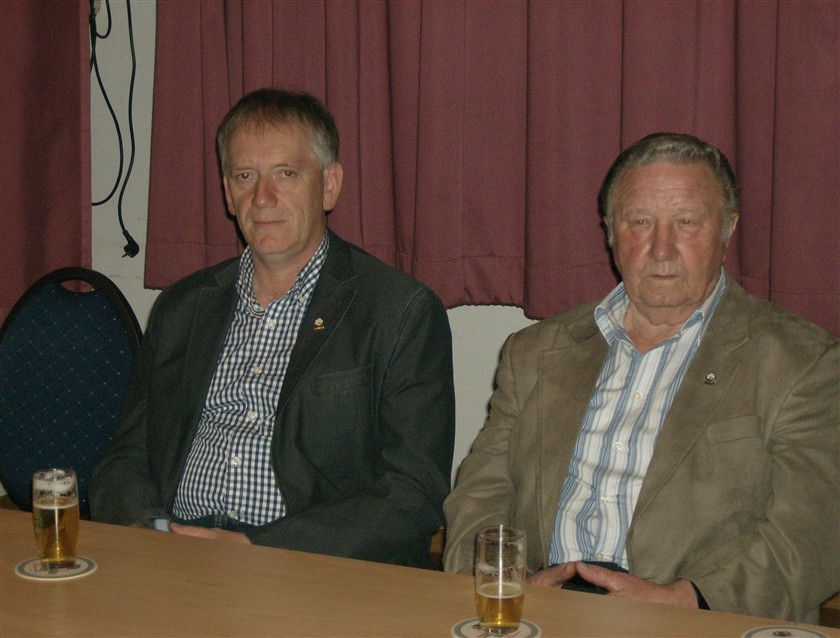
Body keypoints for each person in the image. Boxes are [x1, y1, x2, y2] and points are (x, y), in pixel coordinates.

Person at [443, 132, 838, 622]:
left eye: (687, 222)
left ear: (728, 228)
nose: (662, 248)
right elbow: (479, 497)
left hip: (699, 622)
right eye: (640, 222)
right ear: (610, 230)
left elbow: (815, 533)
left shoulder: (802, 361)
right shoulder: (536, 352)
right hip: (539, 614)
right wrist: (510, 583)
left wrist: (688, 600)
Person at [90, 88, 455, 569]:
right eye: (245, 176)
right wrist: (147, 531)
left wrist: (256, 549)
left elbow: (413, 493)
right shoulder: (182, 308)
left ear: (329, 185)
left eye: (286, 173)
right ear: (227, 192)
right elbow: (126, 457)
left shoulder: (399, 312)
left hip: (312, 570)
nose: (262, 198)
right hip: (174, 555)